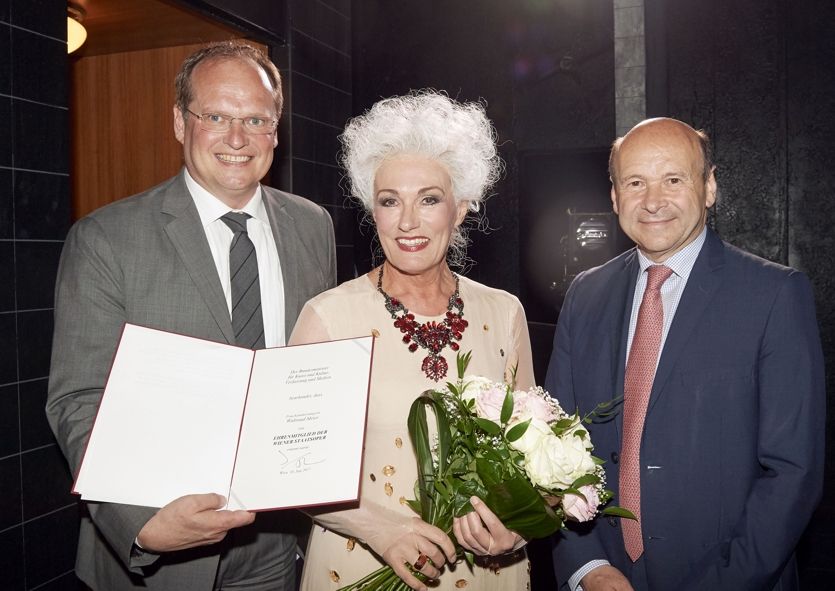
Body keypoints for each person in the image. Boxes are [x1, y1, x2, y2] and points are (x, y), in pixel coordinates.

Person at [46, 42, 336, 590]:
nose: (237, 138)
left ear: (276, 130)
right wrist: (141, 524)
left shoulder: (312, 226)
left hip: (277, 543)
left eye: (256, 119)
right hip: (159, 555)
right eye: (216, 117)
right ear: (180, 122)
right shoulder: (106, 239)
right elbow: (79, 398)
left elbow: (316, 370)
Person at [546, 117, 825, 590]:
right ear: (614, 196)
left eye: (673, 179)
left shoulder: (775, 295)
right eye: (635, 183)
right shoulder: (585, 295)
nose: (653, 201)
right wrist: (588, 567)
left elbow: (792, 474)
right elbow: (554, 446)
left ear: (709, 186)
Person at [288, 91, 535, 591]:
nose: (407, 222)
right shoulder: (328, 318)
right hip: (360, 564)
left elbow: (534, 457)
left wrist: (519, 526)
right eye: (389, 201)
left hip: (488, 571)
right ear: (371, 210)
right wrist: (382, 528)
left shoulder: (503, 312)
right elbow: (290, 466)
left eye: (429, 199)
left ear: (461, 208)